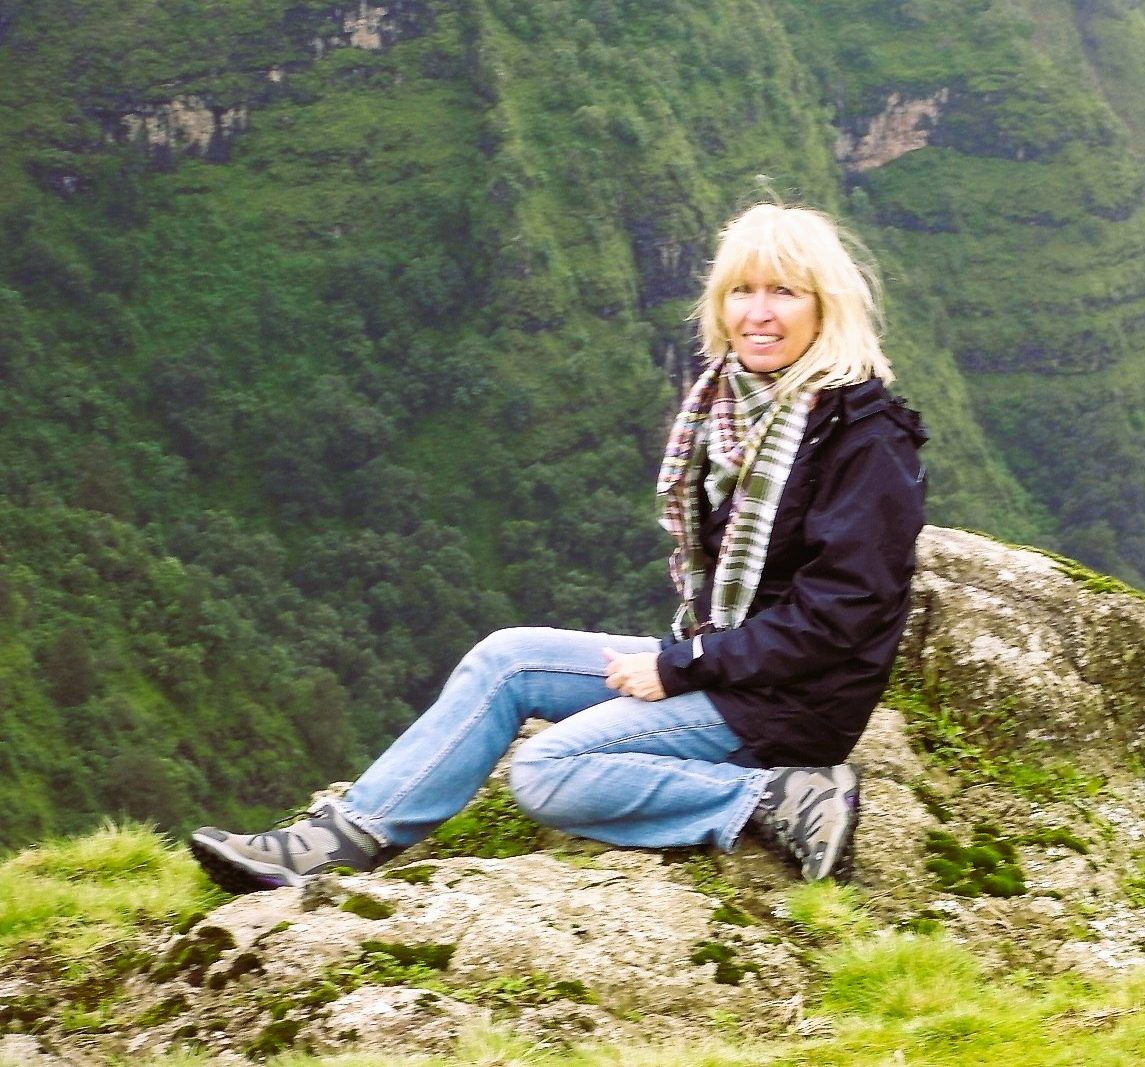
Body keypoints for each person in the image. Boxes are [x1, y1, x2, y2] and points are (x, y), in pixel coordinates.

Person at [189, 201, 928, 893]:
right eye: (742, 291)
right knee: (507, 659)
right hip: (728, 666)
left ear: (826, 307)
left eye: (784, 293)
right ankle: (343, 837)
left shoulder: (865, 438)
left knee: (547, 770)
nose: (757, 313)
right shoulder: (733, 407)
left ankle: (776, 794)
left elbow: (839, 617)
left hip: (788, 705)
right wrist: (688, 660)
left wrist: (681, 667)